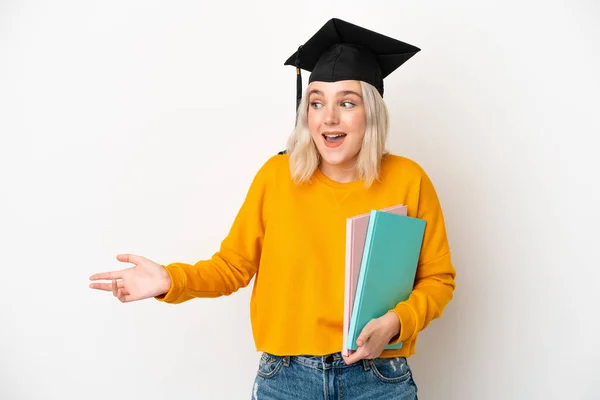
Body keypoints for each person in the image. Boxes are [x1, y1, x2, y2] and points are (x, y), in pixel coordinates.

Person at [89, 18, 456, 400]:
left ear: (372, 113)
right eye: (316, 102)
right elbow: (232, 267)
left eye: (347, 102)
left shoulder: (407, 180)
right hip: (287, 380)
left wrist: (397, 322)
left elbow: (438, 279)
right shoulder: (277, 177)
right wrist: (170, 280)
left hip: (377, 379)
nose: (328, 117)